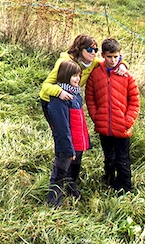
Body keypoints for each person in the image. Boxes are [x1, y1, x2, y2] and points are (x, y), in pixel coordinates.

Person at [39, 34, 98, 206]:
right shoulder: (63, 65)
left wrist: (122, 65)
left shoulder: (90, 64)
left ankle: (71, 183)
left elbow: (110, 61)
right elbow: (46, 86)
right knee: (63, 142)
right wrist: (59, 92)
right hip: (54, 98)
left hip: (73, 99)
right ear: (80, 49)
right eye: (90, 49)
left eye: (95, 49)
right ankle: (55, 196)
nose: (93, 52)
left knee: (75, 146)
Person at [86, 37, 139, 192]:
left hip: (122, 127)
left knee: (122, 159)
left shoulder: (126, 76)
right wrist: (96, 117)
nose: (113, 60)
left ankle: (124, 188)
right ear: (103, 55)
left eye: (116, 57)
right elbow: (90, 97)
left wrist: (127, 121)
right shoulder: (95, 74)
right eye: (109, 57)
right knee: (109, 157)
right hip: (104, 126)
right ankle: (109, 180)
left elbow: (134, 100)